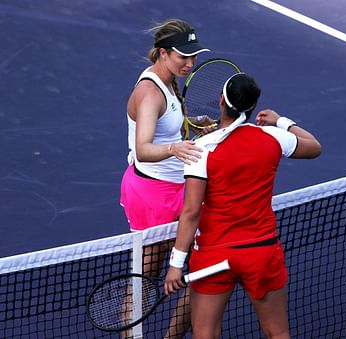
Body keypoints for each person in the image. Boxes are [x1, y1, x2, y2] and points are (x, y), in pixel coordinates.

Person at [164, 73, 321, 338]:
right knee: (278, 333)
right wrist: (281, 121)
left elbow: (191, 212)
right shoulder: (274, 137)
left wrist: (176, 264)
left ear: (221, 101)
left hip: (214, 254)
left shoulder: (200, 149)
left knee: (205, 334)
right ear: (253, 106)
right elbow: (314, 146)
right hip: (260, 252)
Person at [119, 18, 212, 339]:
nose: (189, 63)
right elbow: (143, 148)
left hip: (180, 188)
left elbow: (170, 123)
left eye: (193, 56)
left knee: (203, 269)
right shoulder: (149, 93)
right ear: (162, 53)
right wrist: (175, 147)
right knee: (146, 277)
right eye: (182, 56)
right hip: (151, 194)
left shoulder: (171, 82)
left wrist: (194, 124)